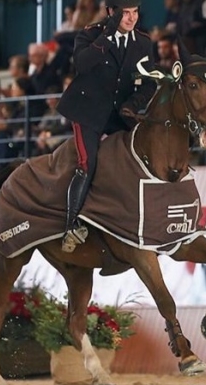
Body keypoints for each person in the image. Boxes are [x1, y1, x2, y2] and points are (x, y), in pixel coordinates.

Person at [55, 0, 156, 253]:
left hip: (118, 111)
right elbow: (83, 64)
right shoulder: (90, 34)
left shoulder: (143, 42)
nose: (132, 19)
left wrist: (133, 104)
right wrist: (110, 33)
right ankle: (72, 225)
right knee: (87, 163)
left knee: (144, 154)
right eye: (125, 13)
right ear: (112, 12)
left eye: (135, 13)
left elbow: (149, 83)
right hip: (87, 109)